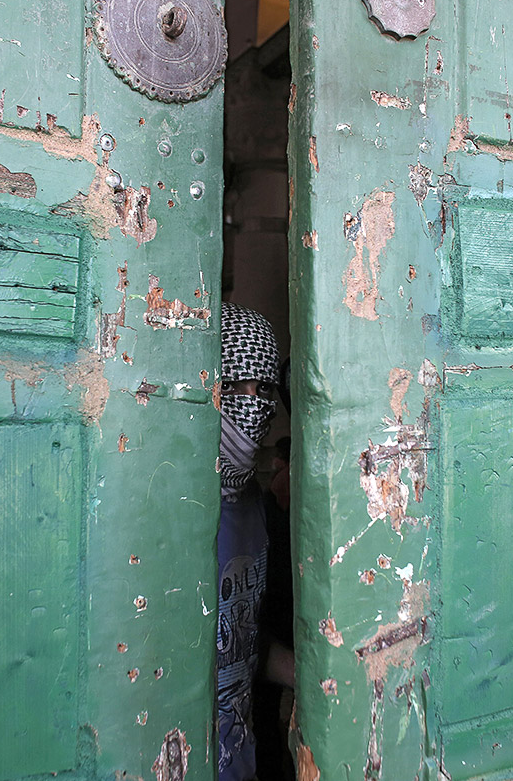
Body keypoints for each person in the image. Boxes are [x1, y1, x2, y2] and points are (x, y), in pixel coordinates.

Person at [216, 303, 289, 781]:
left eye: (264, 389)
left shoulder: (256, 507)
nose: (253, 402)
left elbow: (243, 647)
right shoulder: (165, 515)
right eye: (234, 386)